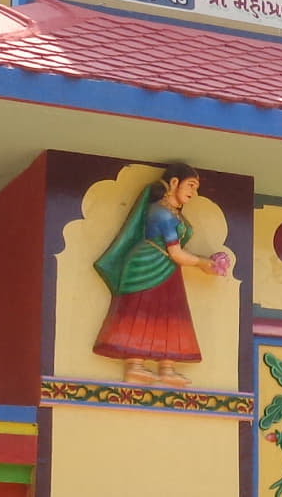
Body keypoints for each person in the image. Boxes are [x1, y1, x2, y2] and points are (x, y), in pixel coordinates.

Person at [93, 164, 232, 383]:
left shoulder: (173, 212)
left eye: (196, 188)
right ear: (174, 182)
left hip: (166, 268)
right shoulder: (160, 212)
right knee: (143, 311)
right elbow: (175, 252)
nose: (194, 193)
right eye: (191, 185)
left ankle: (167, 367)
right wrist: (203, 263)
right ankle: (135, 363)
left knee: (171, 312)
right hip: (148, 265)